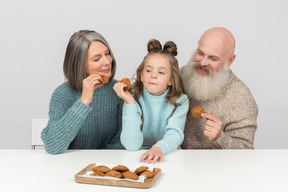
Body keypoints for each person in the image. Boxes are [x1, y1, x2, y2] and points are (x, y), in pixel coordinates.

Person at [41, 30, 123, 154]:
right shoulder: (62, 94)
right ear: (79, 64)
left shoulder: (119, 91)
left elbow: (120, 142)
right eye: (97, 59)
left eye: (107, 54)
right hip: (68, 167)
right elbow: (53, 146)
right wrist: (84, 101)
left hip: (106, 168)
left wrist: (99, 166)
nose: (107, 62)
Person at [180, 27, 258, 149]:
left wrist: (220, 138)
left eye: (213, 58)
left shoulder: (242, 98)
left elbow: (246, 151)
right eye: (200, 53)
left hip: (215, 166)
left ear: (230, 60)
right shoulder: (181, 75)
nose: (203, 63)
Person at [113, 39, 189, 163]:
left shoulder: (181, 100)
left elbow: (174, 134)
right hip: (138, 154)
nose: (153, 75)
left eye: (161, 72)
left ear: (171, 80)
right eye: (148, 70)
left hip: (166, 151)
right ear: (142, 76)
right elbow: (132, 145)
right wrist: (130, 103)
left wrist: (159, 149)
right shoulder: (133, 97)